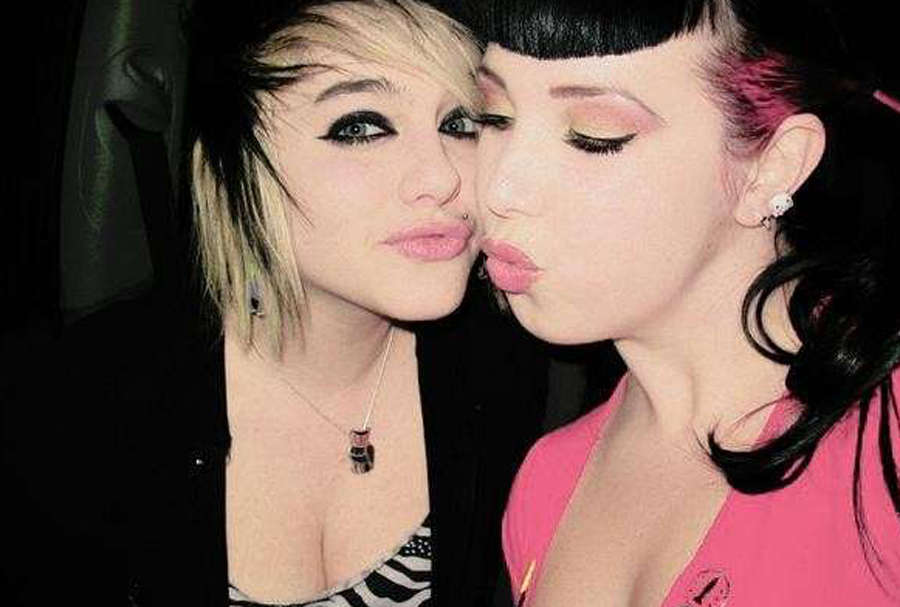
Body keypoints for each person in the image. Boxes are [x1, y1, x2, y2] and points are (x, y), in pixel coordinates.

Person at [4, 1, 548, 605]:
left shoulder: (508, 368)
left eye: (462, 123)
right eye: (361, 127)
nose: (443, 177)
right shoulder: (71, 410)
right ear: (233, 166)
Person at [472, 1, 900, 605]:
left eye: (594, 136)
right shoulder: (544, 480)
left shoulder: (885, 443)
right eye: (493, 118)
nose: (498, 188)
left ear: (773, 167)